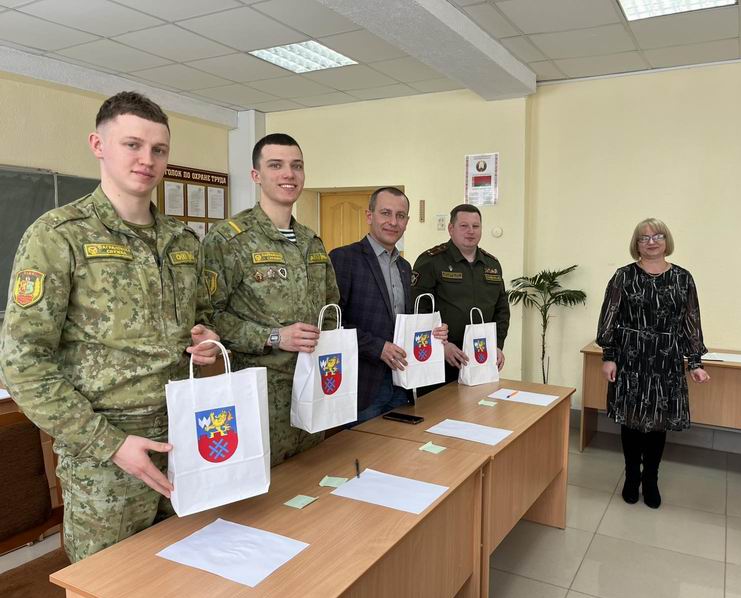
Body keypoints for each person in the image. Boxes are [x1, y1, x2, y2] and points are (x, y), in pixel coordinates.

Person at [0, 91, 220, 562]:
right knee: (110, 582)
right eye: (132, 145)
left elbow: (199, 320)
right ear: (98, 145)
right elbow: (22, 363)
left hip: (184, 436)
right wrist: (109, 444)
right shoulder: (58, 236)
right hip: (107, 456)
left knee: (188, 572)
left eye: (159, 150)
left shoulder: (182, 240)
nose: (147, 160)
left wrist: (205, 339)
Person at [203, 133, 339, 466]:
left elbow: (331, 309)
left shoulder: (311, 242)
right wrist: (274, 336)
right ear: (256, 175)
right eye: (276, 165)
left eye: (296, 166)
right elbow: (208, 317)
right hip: (261, 395)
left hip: (313, 387)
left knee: (314, 478)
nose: (288, 174)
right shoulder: (229, 239)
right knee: (269, 487)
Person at [597, 218, 710, 509]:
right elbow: (610, 317)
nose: (651, 242)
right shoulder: (623, 276)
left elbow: (691, 321)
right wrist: (609, 356)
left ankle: (651, 479)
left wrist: (695, 362)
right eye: (644, 237)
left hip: (665, 359)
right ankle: (632, 476)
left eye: (657, 236)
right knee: (631, 420)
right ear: (636, 244)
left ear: (666, 240)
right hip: (630, 357)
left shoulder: (683, 278)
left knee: (658, 423)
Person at [329, 187, 447, 423]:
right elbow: (333, 325)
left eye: (400, 216)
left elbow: (404, 321)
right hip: (363, 385)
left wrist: (432, 332)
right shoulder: (344, 258)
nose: (393, 222)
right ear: (369, 215)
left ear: (407, 222)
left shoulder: (404, 267)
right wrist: (377, 347)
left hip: (401, 381)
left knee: (399, 444)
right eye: (385, 213)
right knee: (365, 446)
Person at [411, 204, 509, 392]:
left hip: (481, 356)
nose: (471, 231)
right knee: (439, 408)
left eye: (476, 226)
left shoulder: (492, 264)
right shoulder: (431, 261)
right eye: (464, 226)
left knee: (480, 405)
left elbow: (502, 310)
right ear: (451, 228)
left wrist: (497, 345)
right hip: (442, 359)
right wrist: (442, 346)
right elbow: (418, 311)